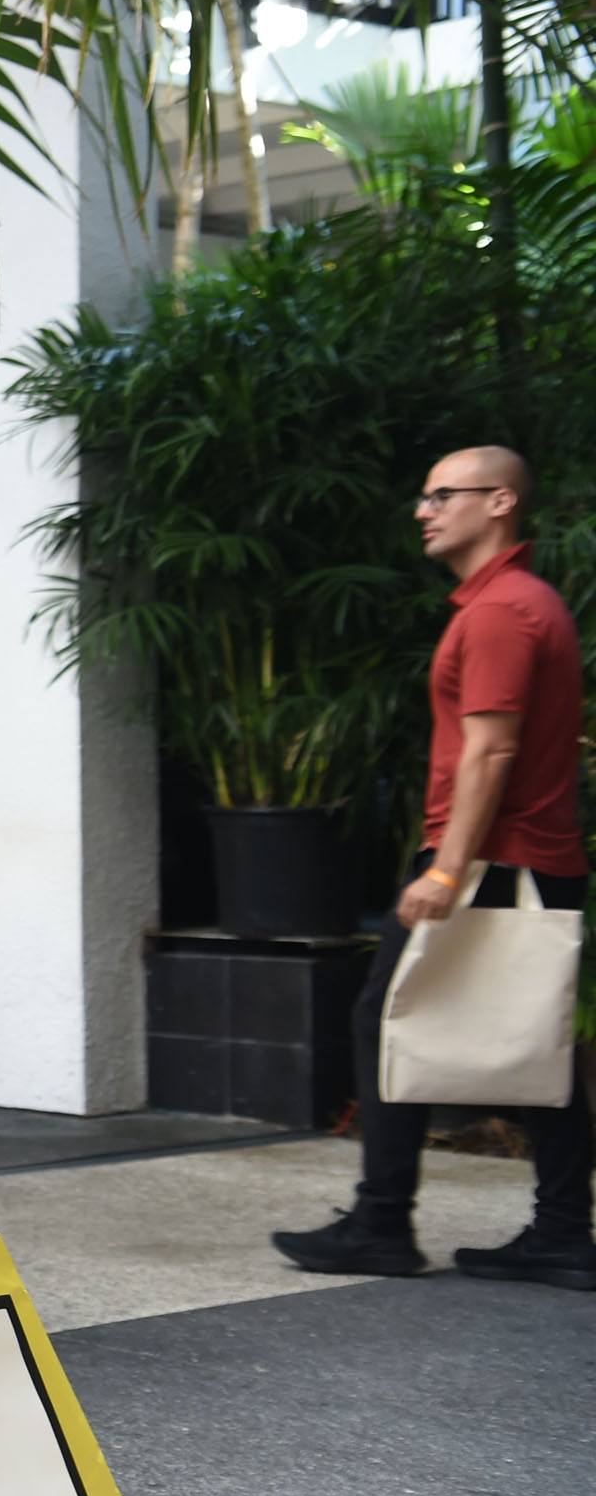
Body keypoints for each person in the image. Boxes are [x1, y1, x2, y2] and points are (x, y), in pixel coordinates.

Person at [273, 447, 595, 1290]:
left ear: (499, 502)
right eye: (423, 495)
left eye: (441, 495)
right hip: (523, 859)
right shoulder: (521, 603)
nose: (424, 509)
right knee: (531, 1040)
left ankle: (384, 1223)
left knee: (389, 1019)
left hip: (494, 860)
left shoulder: (500, 612)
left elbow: (492, 751)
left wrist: (447, 873)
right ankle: (559, 1230)